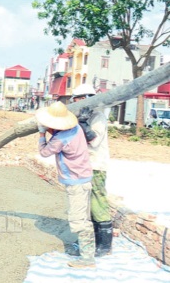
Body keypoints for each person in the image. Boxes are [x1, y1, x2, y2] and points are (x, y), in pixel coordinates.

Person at [35, 101, 96, 268]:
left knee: (78, 221)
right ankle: (86, 250)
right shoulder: (76, 129)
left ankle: (88, 259)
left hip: (76, 182)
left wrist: (42, 134)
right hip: (83, 178)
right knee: (83, 217)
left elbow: (44, 152)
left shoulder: (60, 138)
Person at [71, 84, 113, 257]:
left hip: (96, 165)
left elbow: (94, 141)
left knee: (98, 203)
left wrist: (82, 123)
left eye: (80, 99)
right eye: (76, 100)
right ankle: (91, 239)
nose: (77, 102)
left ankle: (105, 245)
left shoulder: (98, 117)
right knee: (85, 205)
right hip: (83, 165)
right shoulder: (80, 117)